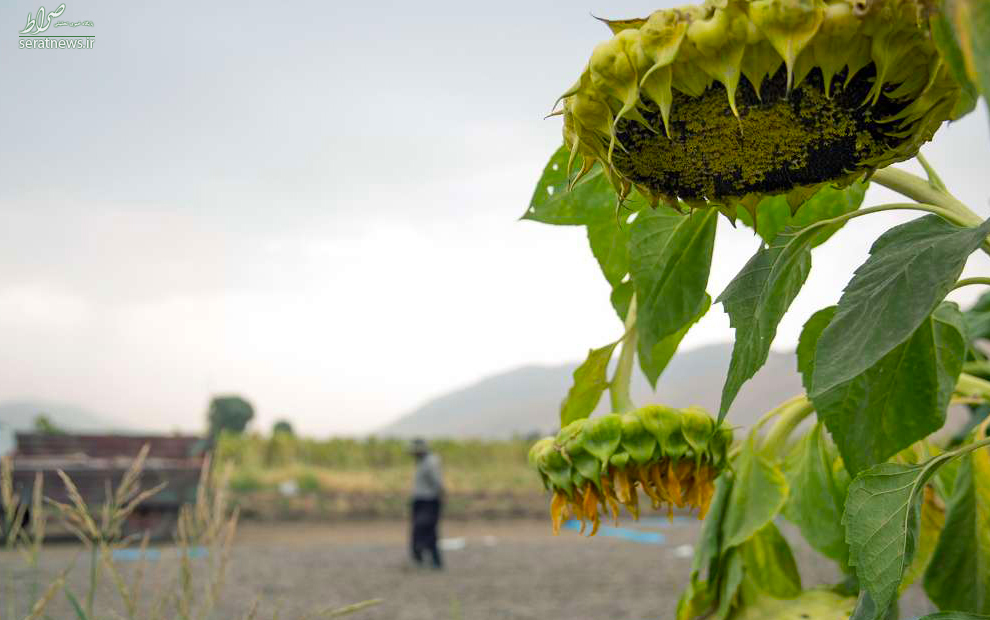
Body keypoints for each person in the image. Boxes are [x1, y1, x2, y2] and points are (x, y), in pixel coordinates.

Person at [409, 438, 444, 569]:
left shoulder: (431, 461)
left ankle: (434, 560)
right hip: (420, 500)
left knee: (426, 529)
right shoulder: (421, 462)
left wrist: (440, 495)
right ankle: (422, 558)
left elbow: (437, 482)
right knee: (420, 530)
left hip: (429, 500)